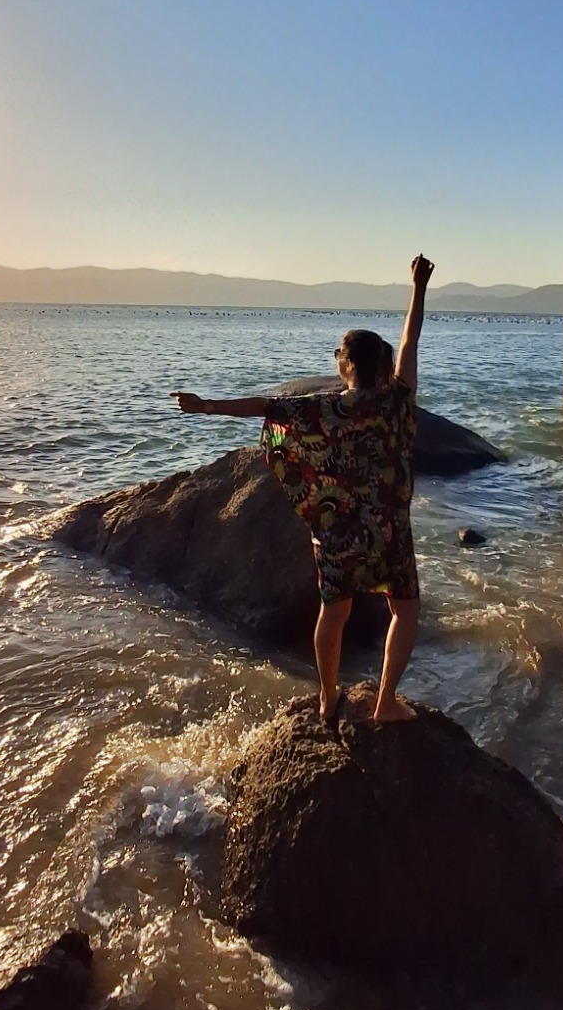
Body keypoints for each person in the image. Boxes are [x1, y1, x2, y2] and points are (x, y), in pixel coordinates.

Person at [172, 254, 433, 725]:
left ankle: (327, 697)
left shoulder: (325, 409)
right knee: (405, 610)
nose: (334, 357)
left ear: (349, 364)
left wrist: (206, 406)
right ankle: (385, 703)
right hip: (390, 532)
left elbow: (264, 407)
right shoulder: (400, 401)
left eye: (338, 351)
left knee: (334, 612)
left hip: (338, 531)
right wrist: (418, 288)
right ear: (382, 366)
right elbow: (411, 339)